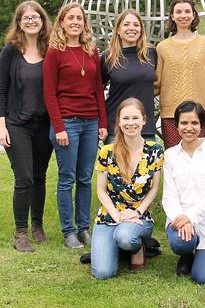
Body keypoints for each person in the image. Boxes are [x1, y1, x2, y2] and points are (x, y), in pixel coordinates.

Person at [43, 2, 107, 249]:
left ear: (84, 23)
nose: (75, 22)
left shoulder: (91, 51)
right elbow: (49, 94)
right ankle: (68, 231)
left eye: (79, 18)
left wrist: (102, 122)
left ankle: (83, 229)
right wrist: (58, 127)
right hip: (66, 124)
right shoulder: (54, 53)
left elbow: (98, 90)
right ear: (61, 22)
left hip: (91, 123)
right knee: (66, 179)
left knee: (85, 178)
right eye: (70, 18)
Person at [0, 0, 53, 252]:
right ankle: (20, 233)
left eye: (35, 17)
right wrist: (1, 125)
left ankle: (37, 227)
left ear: (42, 20)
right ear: (19, 22)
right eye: (25, 18)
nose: (31, 21)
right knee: (24, 177)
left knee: (39, 177)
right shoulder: (11, 51)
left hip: (44, 125)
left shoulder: (51, 49)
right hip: (17, 125)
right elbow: (0, 91)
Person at [90, 98, 163, 279]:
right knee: (103, 273)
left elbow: (154, 188)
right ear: (119, 121)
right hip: (110, 214)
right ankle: (115, 248)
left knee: (125, 237)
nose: (131, 123)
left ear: (144, 120)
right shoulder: (106, 151)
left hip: (139, 215)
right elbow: (101, 190)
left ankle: (137, 246)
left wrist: (137, 212)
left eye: (135, 118)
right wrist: (117, 216)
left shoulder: (155, 150)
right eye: (126, 118)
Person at [162, 101, 205, 284]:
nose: (189, 128)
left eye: (194, 123)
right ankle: (187, 253)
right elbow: (169, 196)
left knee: (204, 277)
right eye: (183, 123)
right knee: (182, 242)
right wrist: (181, 219)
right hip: (179, 219)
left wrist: (190, 217)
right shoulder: (170, 155)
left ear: (202, 125)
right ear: (176, 125)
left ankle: (201, 253)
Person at [155, 0, 205, 148]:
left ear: (193, 15)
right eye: (178, 12)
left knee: (199, 164)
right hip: (170, 117)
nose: (183, 15)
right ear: (172, 16)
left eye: (187, 11)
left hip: (199, 116)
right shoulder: (162, 47)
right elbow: (157, 83)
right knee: (174, 162)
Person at [101, 9, 157, 145]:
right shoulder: (108, 57)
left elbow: (158, 83)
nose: (132, 28)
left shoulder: (151, 54)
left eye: (136, 25)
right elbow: (98, 90)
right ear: (118, 30)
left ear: (141, 30)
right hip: (117, 127)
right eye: (126, 24)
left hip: (145, 127)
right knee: (116, 166)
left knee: (146, 166)